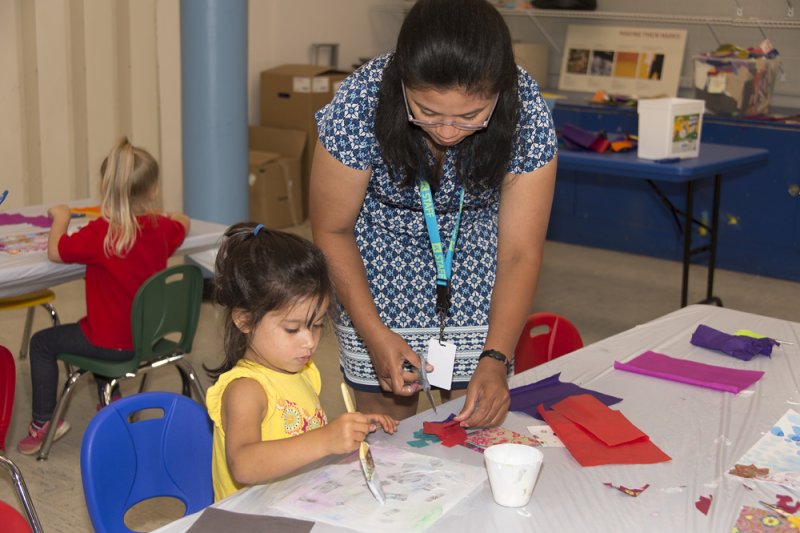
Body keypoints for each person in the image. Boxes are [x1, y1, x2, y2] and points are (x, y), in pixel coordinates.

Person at [310, 0, 557, 425]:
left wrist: (495, 357)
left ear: (498, 93)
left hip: (479, 273)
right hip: (376, 274)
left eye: (470, 117)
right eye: (426, 112)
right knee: (390, 440)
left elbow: (519, 251)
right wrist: (373, 334)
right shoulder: (360, 101)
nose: (446, 132)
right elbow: (332, 230)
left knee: (476, 431)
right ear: (403, 83)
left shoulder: (525, 109)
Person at [17, 137, 190, 455]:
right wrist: (167, 215)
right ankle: (111, 397)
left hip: (111, 343)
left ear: (104, 188)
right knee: (99, 325)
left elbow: (56, 251)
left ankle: (44, 424)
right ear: (153, 191)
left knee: (42, 343)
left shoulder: (100, 234)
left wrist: (62, 218)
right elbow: (183, 222)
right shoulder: (162, 229)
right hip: (148, 338)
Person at [204, 223, 398, 502]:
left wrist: (348, 428)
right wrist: (325, 440)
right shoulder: (245, 390)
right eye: (293, 329)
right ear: (244, 320)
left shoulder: (302, 371)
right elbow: (243, 465)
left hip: (296, 503)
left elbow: (296, 436)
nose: (309, 341)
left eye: (317, 325)